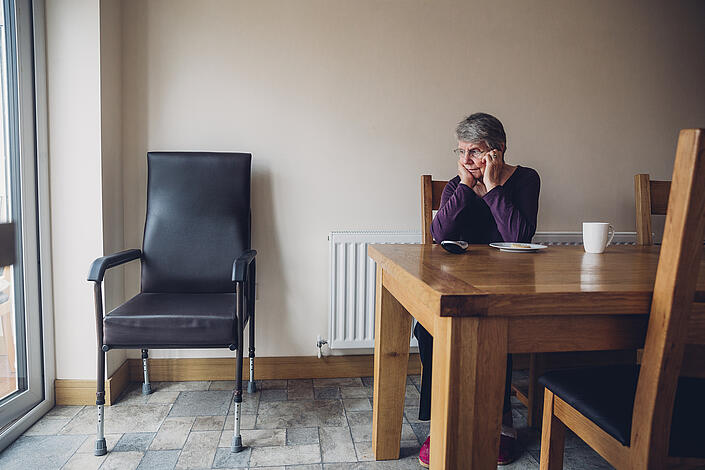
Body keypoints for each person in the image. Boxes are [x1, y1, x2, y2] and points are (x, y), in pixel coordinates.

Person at [415, 113, 540, 467]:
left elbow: (518, 237)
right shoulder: (460, 184)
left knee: (496, 330)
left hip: (507, 282)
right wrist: (468, 186)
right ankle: (440, 422)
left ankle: (501, 423)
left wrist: (493, 186)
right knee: (427, 328)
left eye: (475, 152)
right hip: (458, 280)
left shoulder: (526, 179)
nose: (466, 159)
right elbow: (440, 234)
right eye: (461, 151)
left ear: (497, 152)